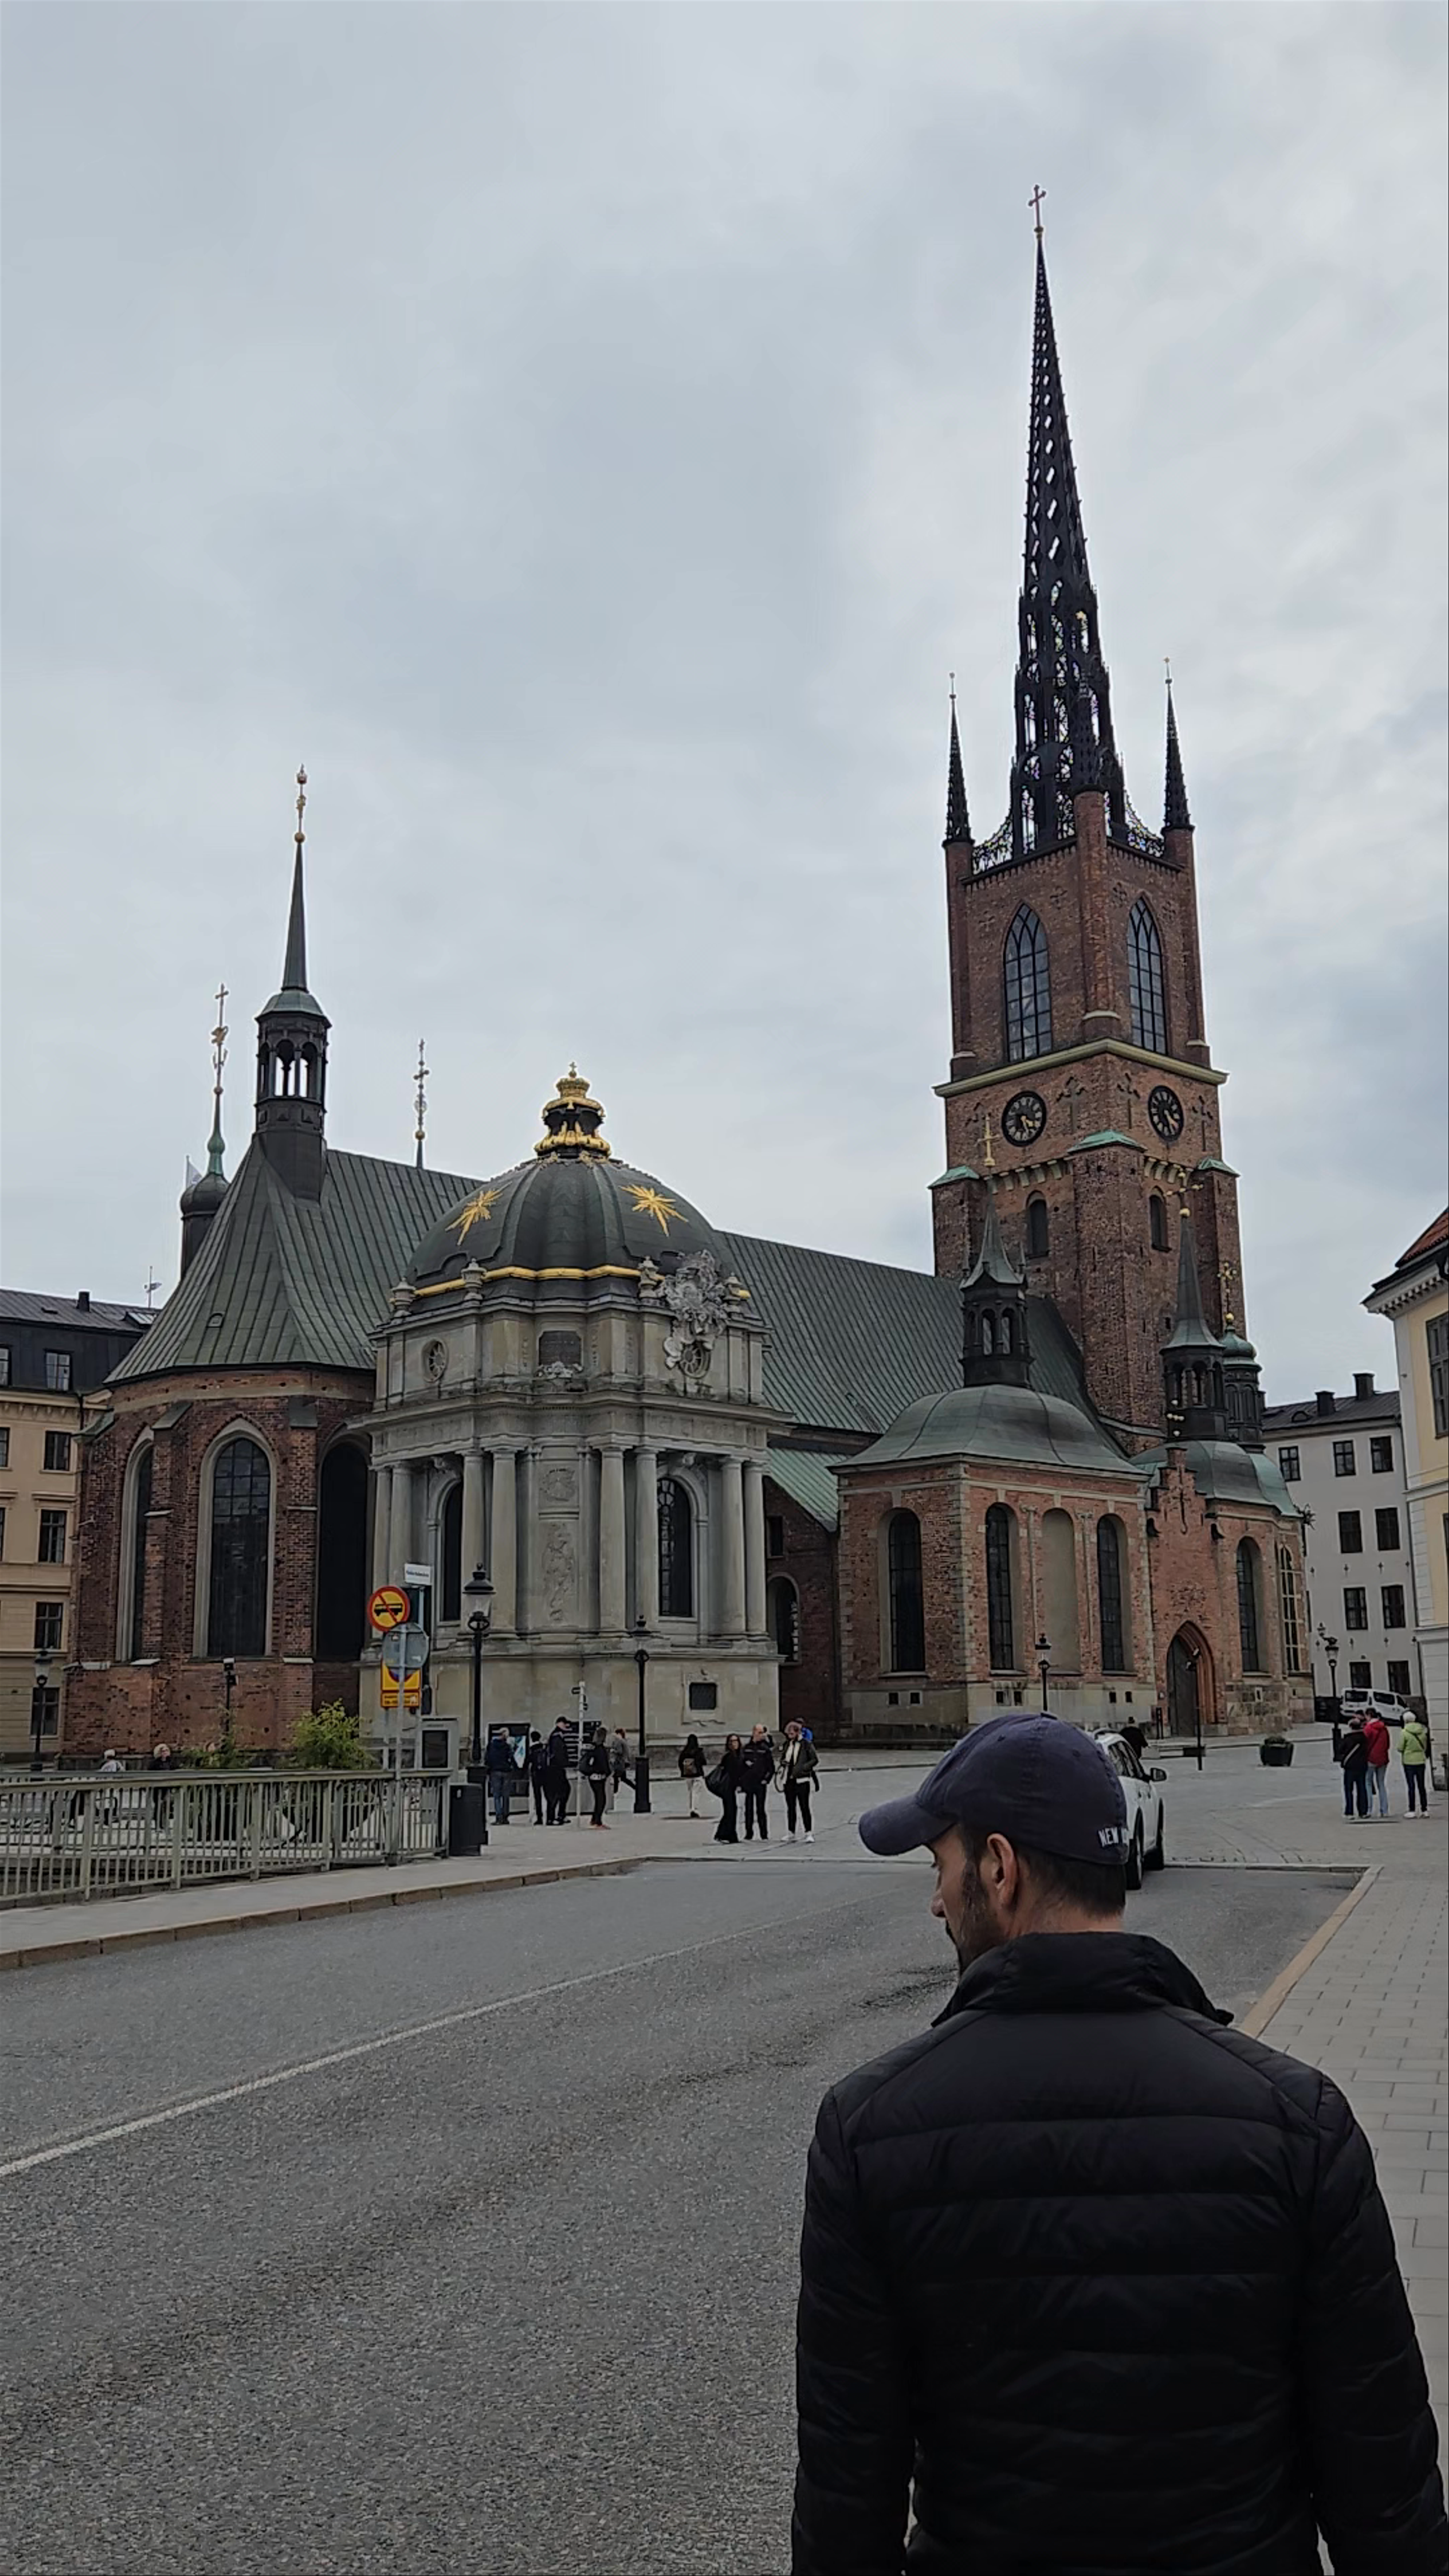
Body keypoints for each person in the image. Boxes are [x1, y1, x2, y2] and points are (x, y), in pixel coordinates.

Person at [792, 1714, 1446, 2575]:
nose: (936, 1898)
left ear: (1000, 1867)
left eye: (941, 1866)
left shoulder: (869, 2127)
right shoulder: (1296, 2119)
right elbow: (1384, 2486)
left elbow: (847, 2503)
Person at [778, 1721, 818, 1842]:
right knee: (791, 1807)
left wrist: (804, 1768)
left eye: (792, 1734)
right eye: (788, 1734)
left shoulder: (806, 1744)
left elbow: (814, 1760)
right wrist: (783, 1763)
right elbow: (783, 1758)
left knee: (804, 1807)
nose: (790, 1736)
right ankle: (791, 1832)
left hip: (802, 1780)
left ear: (798, 1733)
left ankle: (809, 1832)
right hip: (789, 1779)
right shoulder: (787, 1745)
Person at [740, 1724, 775, 1842]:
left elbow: (771, 1768)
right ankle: (749, 1833)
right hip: (749, 1782)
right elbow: (742, 1765)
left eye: (763, 1733)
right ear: (754, 1732)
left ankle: (764, 1834)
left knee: (761, 1809)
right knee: (748, 1809)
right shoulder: (747, 1748)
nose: (761, 1735)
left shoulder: (765, 1749)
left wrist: (766, 1779)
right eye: (759, 1733)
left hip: (761, 1783)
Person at [712, 1733, 745, 1843]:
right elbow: (730, 1772)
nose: (734, 1744)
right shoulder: (728, 1757)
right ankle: (730, 1835)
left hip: (733, 1787)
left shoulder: (740, 1755)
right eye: (731, 1742)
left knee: (731, 1811)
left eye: (736, 1741)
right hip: (727, 1787)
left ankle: (722, 1834)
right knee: (731, 1811)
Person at [1338, 1714, 1371, 1820]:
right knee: (1362, 1789)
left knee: (1349, 1790)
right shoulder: (1364, 1739)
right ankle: (1363, 1812)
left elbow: (1340, 1751)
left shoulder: (1348, 1739)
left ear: (1351, 1727)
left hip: (1350, 1767)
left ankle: (1350, 1812)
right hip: (1362, 1766)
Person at [541, 1721, 572, 1826]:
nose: (566, 1727)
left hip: (553, 1770)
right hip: (556, 1770)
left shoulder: (555, 1736)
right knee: (559, 1793)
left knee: (559, 1792)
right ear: (559, 1724)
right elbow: (559, 1754)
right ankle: (555, 1817)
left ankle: (558, 1816)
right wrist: (566, 1763)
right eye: (565, 1724)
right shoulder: (557, 1737)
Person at [1401, 1711, 1431, 1815]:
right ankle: (1425, 1809)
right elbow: (1426, 1746)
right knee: (1422, 1786)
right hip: (1421, 1760)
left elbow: (1400, 1747)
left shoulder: (1404, 1732)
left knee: (1411, 1787)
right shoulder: (1422, 1732)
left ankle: (1412, 1810)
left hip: (1409, 1761)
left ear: (1406, 1721)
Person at [1363, 1710, 1392, 1816]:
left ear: (1369, 1716)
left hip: (1371, 1759)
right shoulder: (1384, 1728)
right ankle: (1385, 1810)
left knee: (1368, 1783)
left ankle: (1369, 1810)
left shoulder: (1369, 1728)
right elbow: (1388, 1744)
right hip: (1383, 1759)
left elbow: (1365, 1744)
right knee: (1381, 1784)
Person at [484, 1727, 514, 1826]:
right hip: (506, 1772)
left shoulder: (491, 1746)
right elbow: (511, 1758)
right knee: (506, 1795)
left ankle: (499, 1817)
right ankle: (506, 1817)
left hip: (495, 1771)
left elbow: (488, 1758)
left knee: (497, 1796)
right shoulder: (507, 1746)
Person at [678, 1732, 707, 1818]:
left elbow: (680, 1763)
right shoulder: (698, 1751)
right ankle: (695, 1809)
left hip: (688, 1775)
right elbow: (704, 1762)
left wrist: (684, 1771)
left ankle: (692, 1808)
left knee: (691, 1792)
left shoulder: (685, 1752)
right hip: (698, 1774)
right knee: (697, 1792)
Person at [525, 1729, 548, 1825]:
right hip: (546, 1774)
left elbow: (527, 1762)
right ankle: (550, 1816)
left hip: (536, 1775)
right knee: (548, 1795)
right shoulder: (544, 1748)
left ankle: (540, 1818)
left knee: (537, 1796)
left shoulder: (531, 1750)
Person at [608, 1727, 632, 1809]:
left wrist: (613, 1751)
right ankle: (615, 1791)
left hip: (620, 1763)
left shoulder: (620, 1742)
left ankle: (615, 1792)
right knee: (622, 1778)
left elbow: (620, 1752)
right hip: (623, 1762)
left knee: (618, 1777)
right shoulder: (624, 1741)